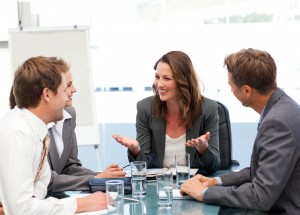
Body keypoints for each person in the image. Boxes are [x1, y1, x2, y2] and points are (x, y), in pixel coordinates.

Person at [180, 48, 300, 214]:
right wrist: (215, 182)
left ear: (246, 90)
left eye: (231, 86)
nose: (231, 90)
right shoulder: (282, 107)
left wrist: (205, 192)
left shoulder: (277, 122)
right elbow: (262, 170)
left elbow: (260, 196)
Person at [0, 56, 107, 214]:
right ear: (47, 94)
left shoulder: (37, 130)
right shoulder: (17, 132)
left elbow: (40, 190)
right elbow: (21, 209)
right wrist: (80, 204)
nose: (68, 96)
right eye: (65, 90)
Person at [113, 51, 221, 175]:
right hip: (159, 185)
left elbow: (214, 166)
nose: (159, 84)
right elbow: (143, 167)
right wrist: (136, 149)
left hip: (193, 184)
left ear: (184, 81)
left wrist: (203, 148)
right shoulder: (145, 108)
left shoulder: (208, 108)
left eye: (167, 78)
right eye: (157, 77)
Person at [45, 58, 125, 194]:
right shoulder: (35, 124)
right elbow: (47, 180)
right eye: (68, 85)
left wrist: (103, 176)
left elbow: (69, 167)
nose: (74, 89)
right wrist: (96, 180)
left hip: (55, 196)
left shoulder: (69, 114)